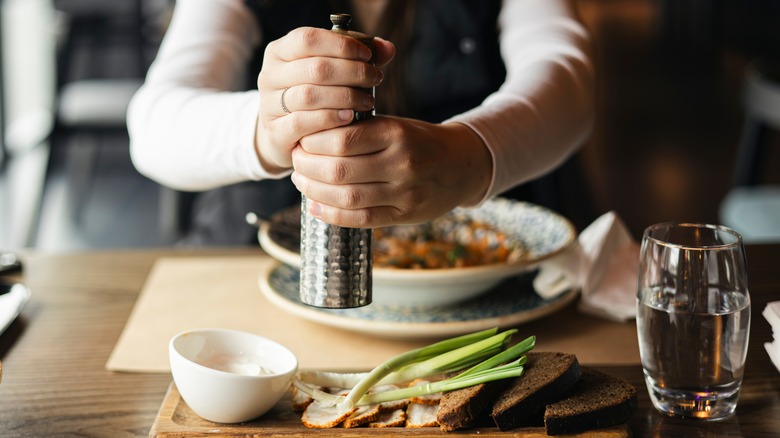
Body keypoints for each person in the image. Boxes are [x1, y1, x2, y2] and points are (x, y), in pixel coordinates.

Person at [127, 0, 594, 245]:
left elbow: (569, 82)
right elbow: (153, 124)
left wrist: (470, 155)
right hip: (259, 269)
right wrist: (269, 130)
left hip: (488, 280)